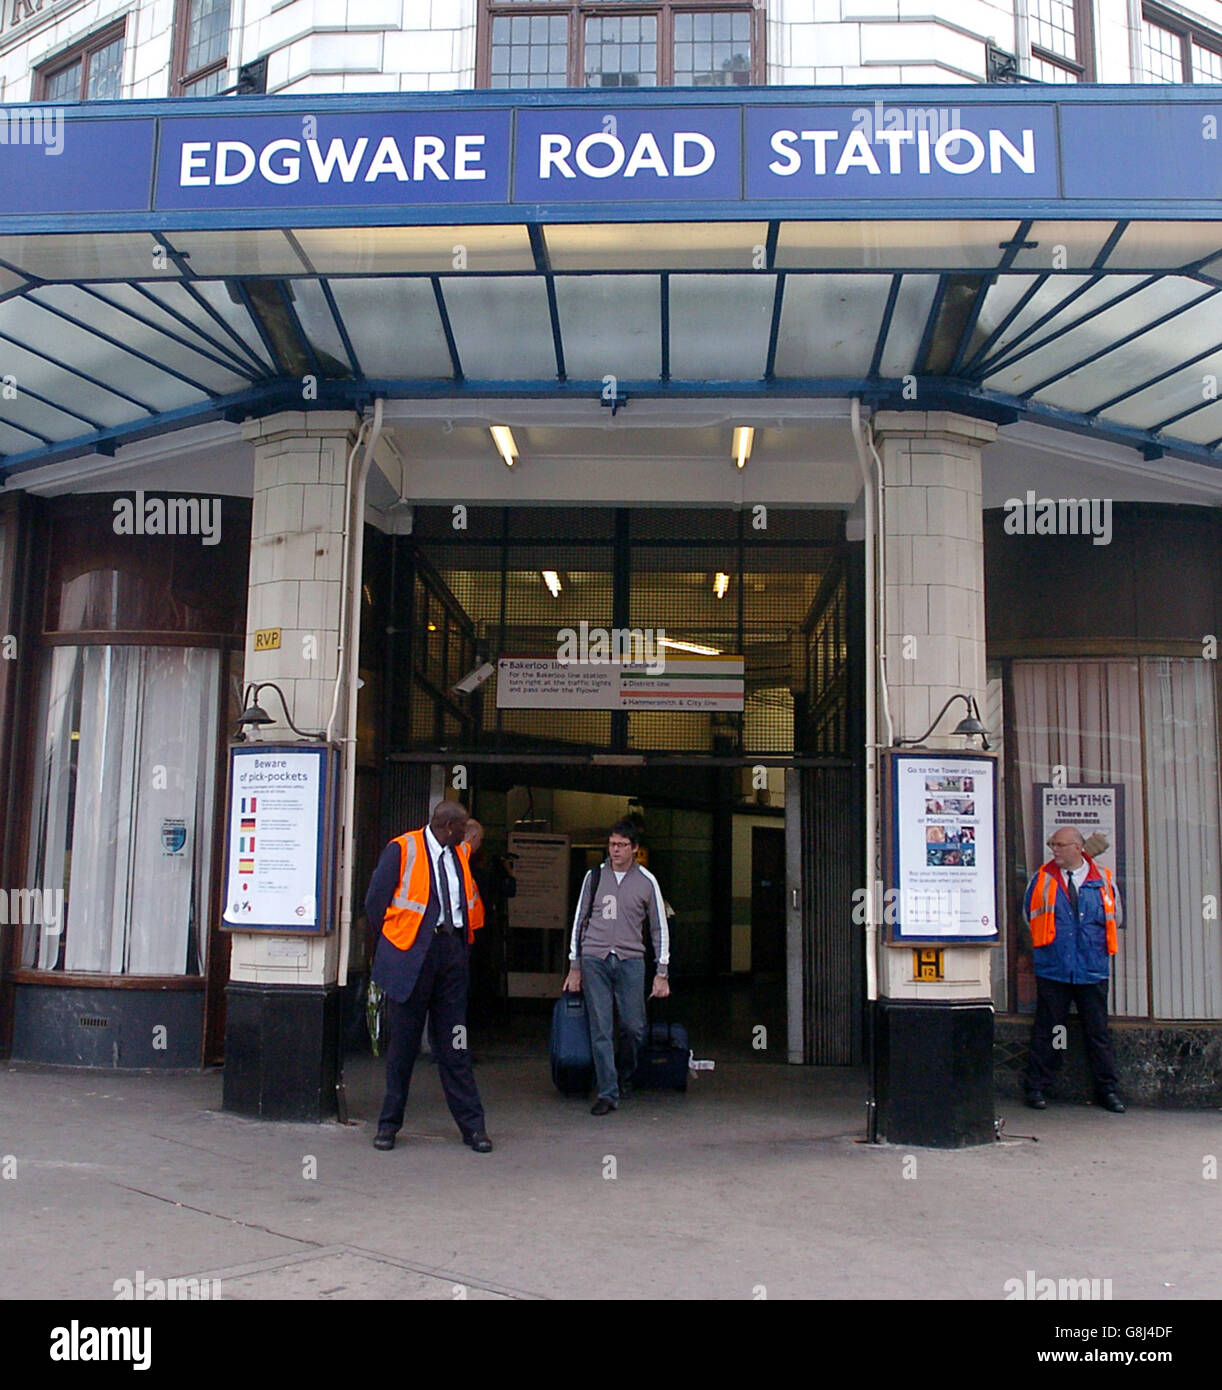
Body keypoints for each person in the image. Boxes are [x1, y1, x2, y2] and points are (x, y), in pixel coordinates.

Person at [367, 800, 493, 1153]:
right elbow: (375, 902)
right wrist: (394, 948)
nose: (466, 833)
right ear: (449, 827)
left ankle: (473, 1127)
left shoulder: (460, 855)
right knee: (403, 1047)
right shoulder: (402, 849)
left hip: (451, 955)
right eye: (462, 827)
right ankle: (388, 1126)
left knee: (456, 1042)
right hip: (411, 957)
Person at [563, 820, 670, 1116]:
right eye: (612, 844)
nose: (616, 851)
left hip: (630, 960)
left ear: (635, 848)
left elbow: (659, 928)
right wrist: (575, 966)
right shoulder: (594, 877)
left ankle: (623, 1073)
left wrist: (662, 972)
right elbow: (579, 921)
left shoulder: (647, 881)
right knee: (601, 1027)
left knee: (634, 1027)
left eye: (622, 845)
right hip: (594, 957)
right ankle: (608, 1092)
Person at [1023, 825, 1125, 1114]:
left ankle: (1107, 1090)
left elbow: (1114, 916)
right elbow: (1028, 916)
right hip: (1054, 967)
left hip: (1091, 968)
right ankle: (1039, 1086)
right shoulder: (1043, 879)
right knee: (1051, 1029)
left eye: (1060, 845)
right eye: (1052, 844)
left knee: (1098, 1032)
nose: (1054, 849)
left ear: (1079, 848)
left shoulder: (1102, 879)